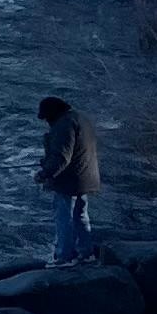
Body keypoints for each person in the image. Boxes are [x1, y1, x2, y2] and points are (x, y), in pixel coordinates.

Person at [37, 95, 101, 263]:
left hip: (69, 182)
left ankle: (64, 258)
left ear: (52, 113)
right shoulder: (81, 118)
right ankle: (86, 254)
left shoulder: (64, 124)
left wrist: (44, 173)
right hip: (85, 178)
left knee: (64, 218)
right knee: (80, 216)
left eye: (46, 117)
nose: (46, 122)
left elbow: (61, 157)